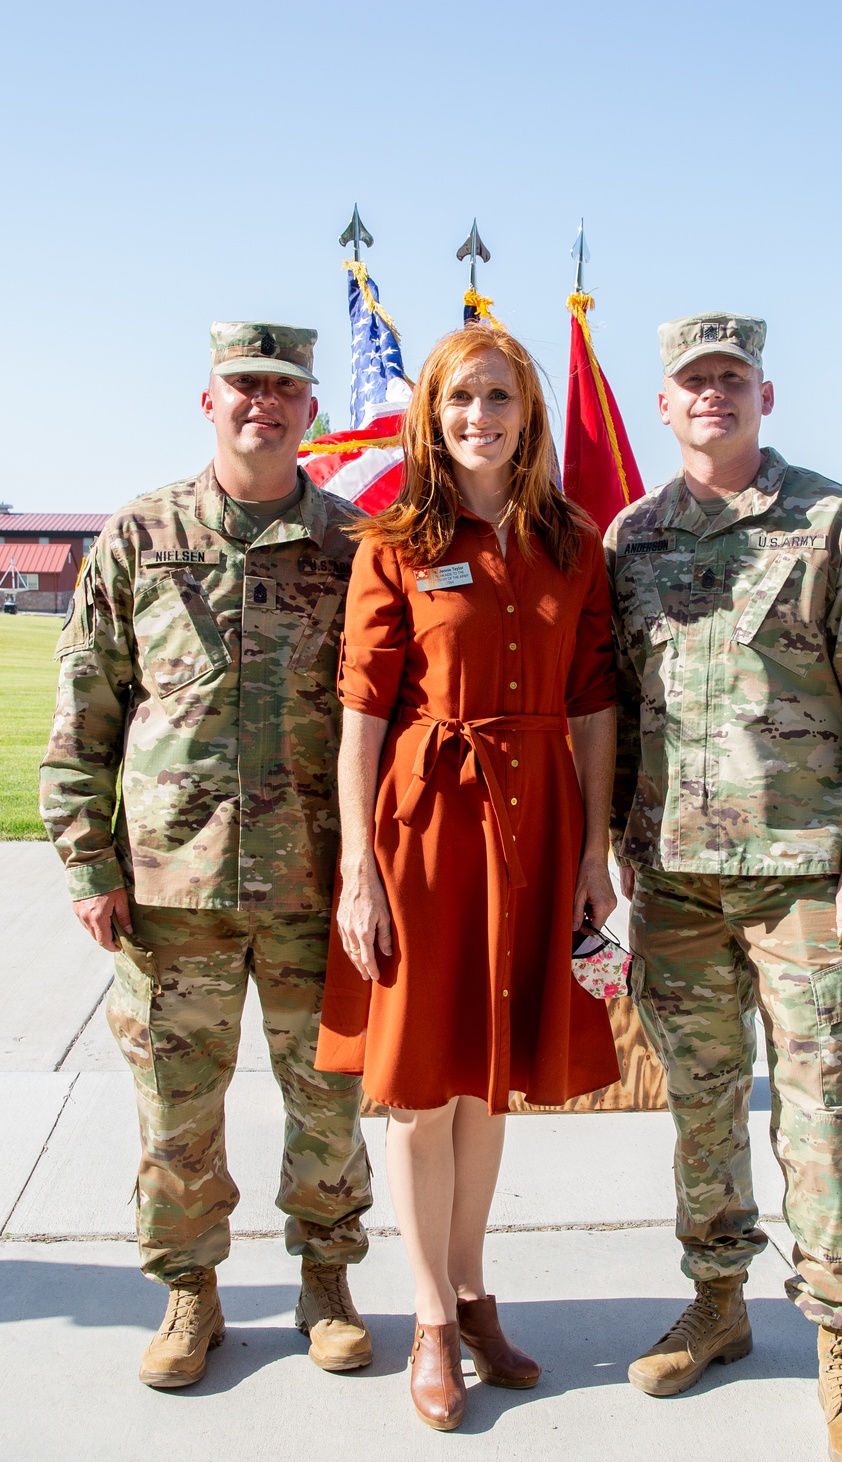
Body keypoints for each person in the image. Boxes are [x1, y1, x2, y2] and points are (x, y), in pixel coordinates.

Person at [606, 313, 842, 1462]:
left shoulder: (830, 520)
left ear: (764, 395)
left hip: (801, 879)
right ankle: (719, 1300)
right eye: (692, 382)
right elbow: (613, 713)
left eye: (730, 379)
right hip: (675, 884)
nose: (711, 396)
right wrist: (613, 857)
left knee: (827, 1117)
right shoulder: (632, 539)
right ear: (664, 403)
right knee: (700, 1112)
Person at [40, 322, 373, 1389]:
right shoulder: (140, 533)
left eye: (284, 390)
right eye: (244, 386)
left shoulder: (353, 545)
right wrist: (89, 860)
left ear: (310, 410)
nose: (263, 406)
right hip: (169, 884)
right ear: (209, 400)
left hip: (313, 882)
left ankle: (326, 1279)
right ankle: (191, 1289)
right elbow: (86, 704)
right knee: (176, 1106)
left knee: (327, 1095)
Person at [316, 324, 621, 1430]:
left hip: (537, 825)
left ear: (526, 413)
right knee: (418, 1083)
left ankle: (477, 1293)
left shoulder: (573, 542)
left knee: (489, 1082)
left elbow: (593, 701)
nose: (477, 418)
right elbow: (360, 711)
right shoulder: (394, 540)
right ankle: (430, 1320)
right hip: (425, 823)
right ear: (432, 414)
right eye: (458, 400)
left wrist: (591, 852)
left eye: (497, 397)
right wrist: (359, 866)